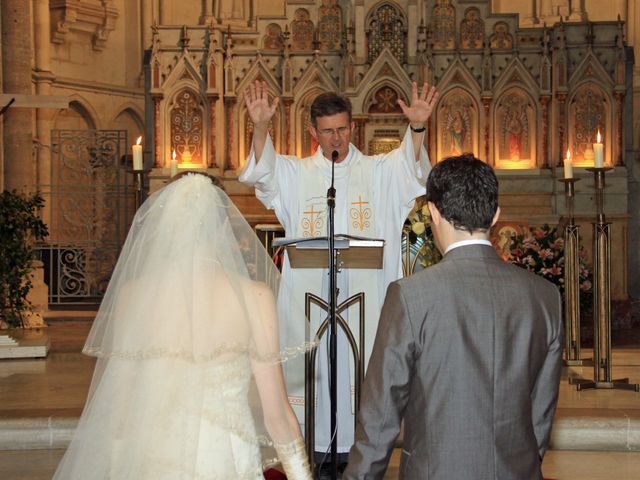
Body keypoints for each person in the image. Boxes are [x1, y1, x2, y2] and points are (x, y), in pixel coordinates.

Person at [53, 173, 313, 480]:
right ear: (223, 224)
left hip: (153, 457)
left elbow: (118, 411)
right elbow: (277, 414)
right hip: (223, 459)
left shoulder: (132, 297)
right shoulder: (255, 297)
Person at [240, 80, 439, 466]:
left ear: (353, 128)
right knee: (315, 374)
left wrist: (416, 128)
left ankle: (360, 455)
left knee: (360, 372)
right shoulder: (297, 174)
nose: (338, 138)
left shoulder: (378, 171)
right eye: (328, 131)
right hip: (310, 303)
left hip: (365, 302)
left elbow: (410, 171)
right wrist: (261, 127)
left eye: (344, 129)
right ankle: (315, 451)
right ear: (313, 132)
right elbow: (263, 174)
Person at [343, 154, 563, 479]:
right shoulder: (544, 296)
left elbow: (380, 417)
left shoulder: (410, 295)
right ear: (496, 215)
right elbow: (540, 417)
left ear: (433, 211)